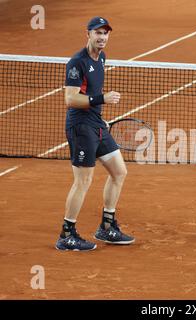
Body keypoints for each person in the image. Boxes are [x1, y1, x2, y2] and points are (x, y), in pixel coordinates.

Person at [56, 17, 135, 251]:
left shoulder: (101, 57)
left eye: (105, 33)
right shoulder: (76, 63)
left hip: (96, 124)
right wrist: (102, 99)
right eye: (98, 33)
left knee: (119, 172)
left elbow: (89, 92)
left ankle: (107, 227)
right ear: (88, 34)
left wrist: (99, 114)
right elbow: (70, 99)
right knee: (83, 181)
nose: (102, 37)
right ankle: (66, 234)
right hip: (81, 128)